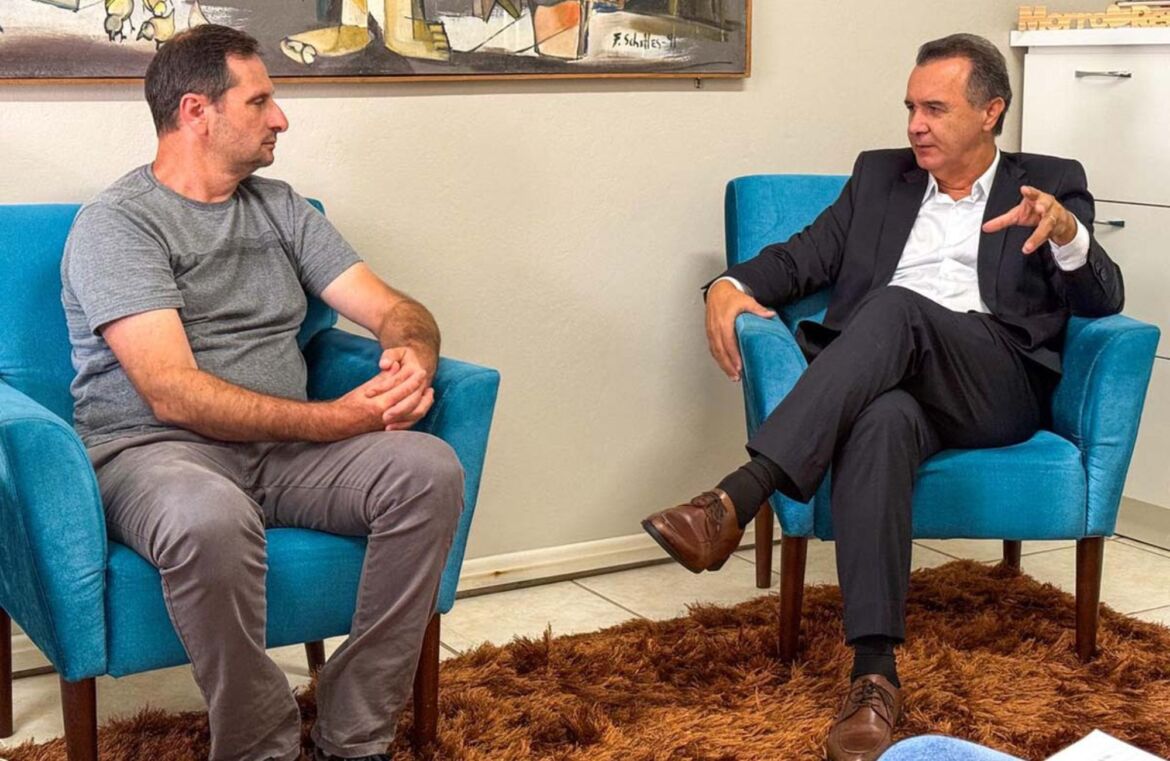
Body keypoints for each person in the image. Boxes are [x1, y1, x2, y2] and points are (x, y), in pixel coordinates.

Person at [641, 33, 1122, 761]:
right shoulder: (879, 177)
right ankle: (874, 677)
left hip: (995, 382)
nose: (915, 126)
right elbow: (800, 259)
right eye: (910, 108)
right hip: (893, 378)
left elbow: (1105, 299)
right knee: (881, 421)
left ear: (991, 111)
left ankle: (740, 494)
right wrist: (726, 285)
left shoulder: (1049, 183)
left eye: (935, 109)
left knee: (895, 307)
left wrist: (1068, 237)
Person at [60, 24, 464, 761]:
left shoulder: (281, 208)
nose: (281, 118)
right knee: (207, 518)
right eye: (260, 101)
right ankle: (259, 743)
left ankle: (355, 732)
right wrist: (336, 418)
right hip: (156, 453)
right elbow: (173, 393)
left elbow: (392, 307)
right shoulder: (117, 224)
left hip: (283, 453)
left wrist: (413, 351)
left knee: (429, 470)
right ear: (196, 111)